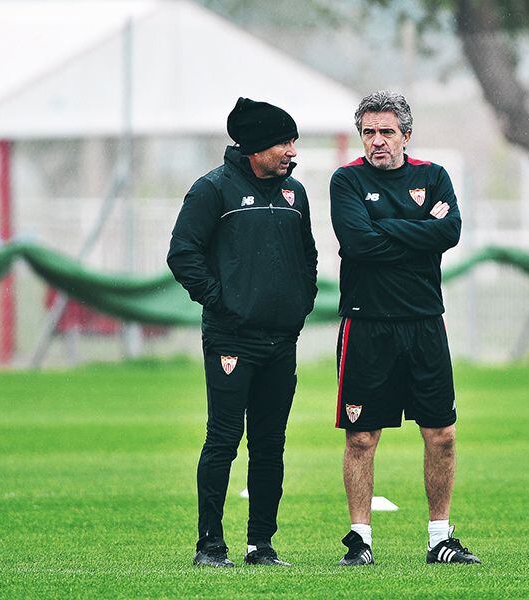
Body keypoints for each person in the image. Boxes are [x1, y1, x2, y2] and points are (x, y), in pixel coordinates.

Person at [329, 90, 480, 566]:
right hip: (366, 325)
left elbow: (450, 232)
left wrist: (386, 228)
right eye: (368, 132)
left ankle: (440, 539)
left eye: (386, 132)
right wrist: (420, 228)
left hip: (423, 324)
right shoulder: (346, 180)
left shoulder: (433, 176)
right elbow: (357, 242)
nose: (376, 141)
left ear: (406, 136)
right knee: (361, 438)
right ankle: (360, 541)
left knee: (442, 435)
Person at [167, 97, 318, 568]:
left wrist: (300, 305)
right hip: (232, 340)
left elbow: (308, 257)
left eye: (293, 141)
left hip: (282, 341)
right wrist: (222, 303)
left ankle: (262, 546)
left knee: (271, 444)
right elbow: (182, 254)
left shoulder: (295, 194)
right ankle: (210, 546)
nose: (291, 151)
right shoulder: (212, 190)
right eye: (282, 142)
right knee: (224, 439)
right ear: (254, 147)